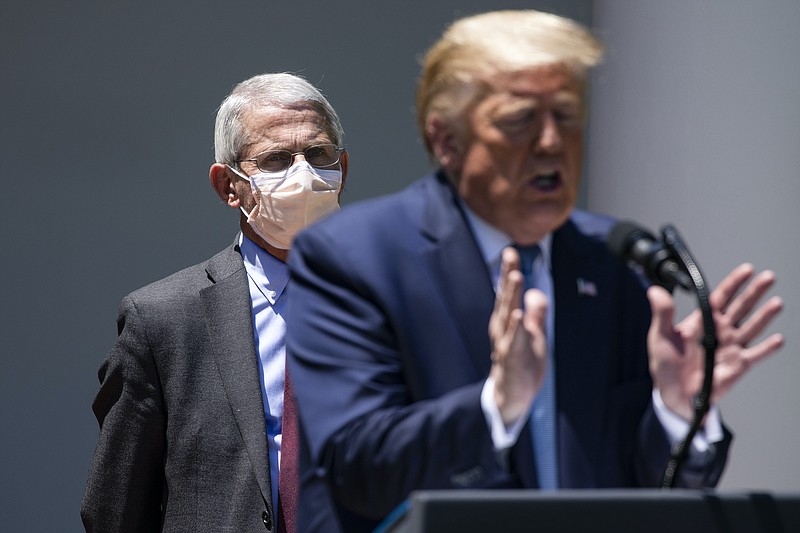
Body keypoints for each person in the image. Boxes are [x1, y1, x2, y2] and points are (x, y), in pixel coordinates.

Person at [285, 10, 785, 532]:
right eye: (519, 119)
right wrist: (496, 407)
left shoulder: (614, 260)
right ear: (446, 140)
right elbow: (355, 467)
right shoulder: (350, 256)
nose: (551, 142)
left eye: (567, 116)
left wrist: (678, 410)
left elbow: (649, 490)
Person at [80, 72, 348, 532]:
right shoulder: (165, 319)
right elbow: (116, 508)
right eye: (277, 159)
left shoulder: (402, 302)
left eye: (318, 154)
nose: (303, 173)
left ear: (342, 167)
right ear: (228, 186)